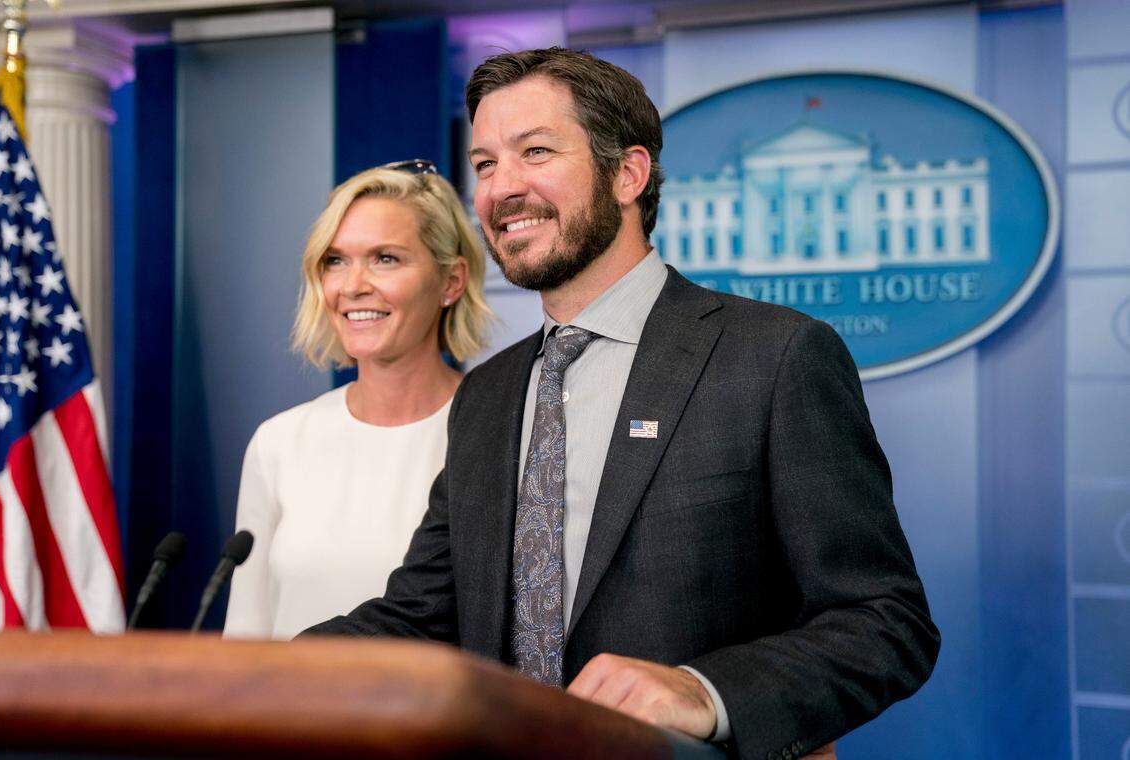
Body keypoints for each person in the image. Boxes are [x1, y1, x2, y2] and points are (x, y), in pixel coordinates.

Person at [305, 49, 939, 759]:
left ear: (628, 174)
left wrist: (706, 691)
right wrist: (266, 672)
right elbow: (424, 615)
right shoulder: (486, 395)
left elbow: (885, 622)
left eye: (535, 152)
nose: (501, 188)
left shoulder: (775, 357)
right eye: (484, 165)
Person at [224, 162, 491, 640]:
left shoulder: (498, 435)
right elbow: (245, 641)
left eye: (385, 258)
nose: (352, 286)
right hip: (290, 713)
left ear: (451, 281)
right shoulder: (279, 442)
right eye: (335, 260)